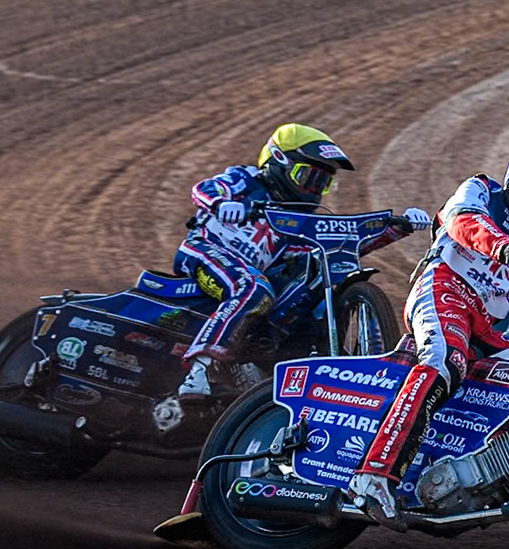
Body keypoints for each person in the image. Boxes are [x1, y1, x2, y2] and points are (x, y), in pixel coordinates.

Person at [345, 129, 509, 529]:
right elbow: (463, 223)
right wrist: (505, 247)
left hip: (485, 328)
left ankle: (486, 473)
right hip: (443, 291)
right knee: (443, 362)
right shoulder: (481, 191)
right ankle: (374, 478)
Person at [172, 123, 420, 399]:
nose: (314, 190)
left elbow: (337, 247)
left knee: (310, 278)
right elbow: (205, 188)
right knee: (255, 288)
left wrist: (397, 228)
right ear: (278, 162)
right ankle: (199, 371)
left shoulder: (297, 223)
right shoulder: (247, 179)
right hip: (205, 249)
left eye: (323, 183)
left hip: (252, 271)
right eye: (307, 177)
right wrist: (220, 203)